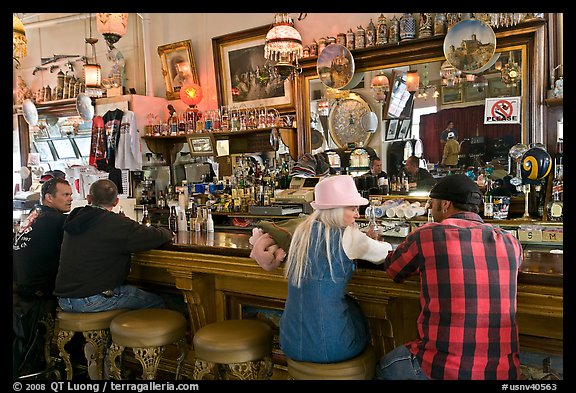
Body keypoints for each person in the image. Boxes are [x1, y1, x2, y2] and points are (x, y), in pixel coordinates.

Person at [375, 174, 523, 380]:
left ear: (445, 205)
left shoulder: (427, 235)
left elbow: (393, 269)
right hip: (503, 371)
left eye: (432, 204)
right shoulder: (510, 242)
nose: (430, 209)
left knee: (383, 368)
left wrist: (377, 243)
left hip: (443, 368)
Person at [250, 175, 392, 363]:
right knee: (360, 317)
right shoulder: (349, 236)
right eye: (353, 209)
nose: (358, 214)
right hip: (333, 346)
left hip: (290, 341)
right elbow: (385, 252)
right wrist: (371, 240)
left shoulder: (301, 231)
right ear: (336, 210)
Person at [54, 179, 173, 312]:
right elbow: (156, 236)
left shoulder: (74, 217)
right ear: (116, 201)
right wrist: (168, 231)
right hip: (92, 299)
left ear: (88, 198)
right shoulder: (117, 223)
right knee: (157, 302)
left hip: (64, 299)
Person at [13, 176, 73, 377]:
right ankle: (75, 360)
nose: (70, 199)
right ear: (49, 197)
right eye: (65, 195)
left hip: (21, 286)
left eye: (70, 195)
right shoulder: (58, 220)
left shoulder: (35, 213)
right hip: (38, 291)